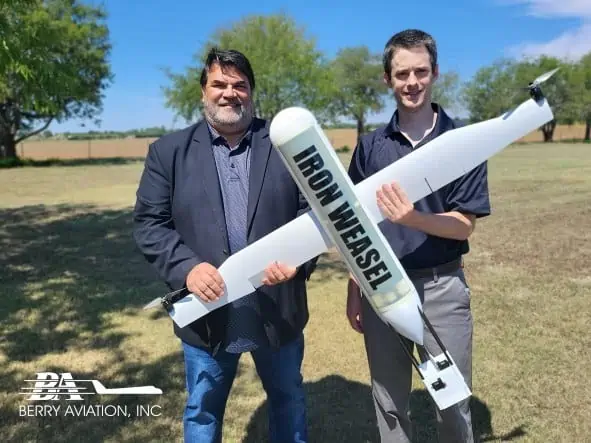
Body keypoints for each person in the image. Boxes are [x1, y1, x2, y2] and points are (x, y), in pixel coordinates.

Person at [133, 48, 316, 443]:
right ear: (203, 91)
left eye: (240, 85)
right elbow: (150, 224)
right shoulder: (167, 153)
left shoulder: (287, 147)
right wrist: (187, 268)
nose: (229, 93)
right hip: (207, 311)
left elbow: (314, 215)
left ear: (251, 92)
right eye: (219, 84)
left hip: (276, 304)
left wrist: (298, 260)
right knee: (203, 410)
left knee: (287, 400)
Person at [346, 29, 491, 443]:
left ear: (435, 73)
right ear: (387, 79)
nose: (412, 83)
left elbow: (464, 223)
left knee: (451, 403)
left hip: (442, 288)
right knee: (389, 402)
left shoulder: (461, 143)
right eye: (402, 73)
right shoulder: (370, 147)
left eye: (421, 72)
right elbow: (357, 225)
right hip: (382, 288)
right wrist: (355, 286)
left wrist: (410, 217)